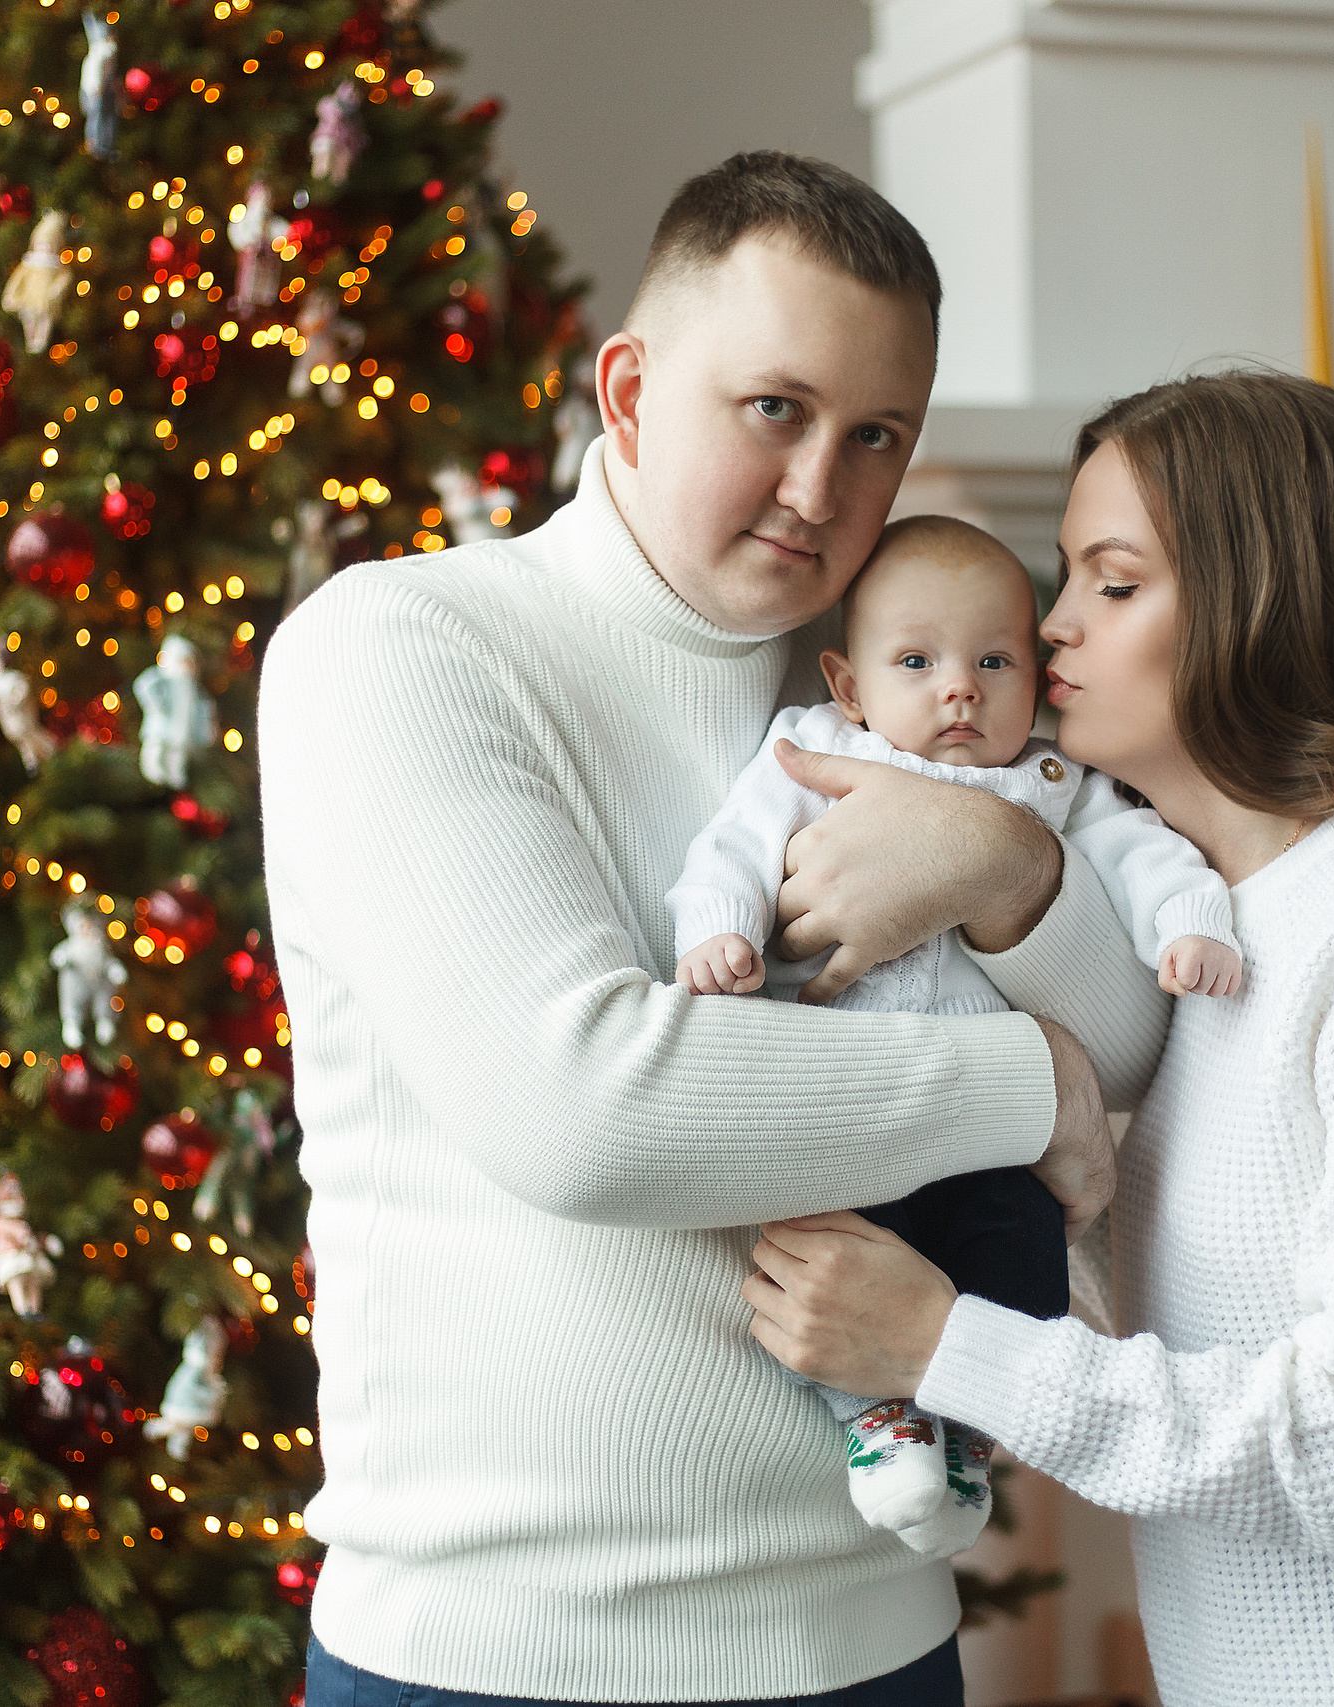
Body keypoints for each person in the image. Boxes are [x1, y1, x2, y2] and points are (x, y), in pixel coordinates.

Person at [260, 153, 1165, 1706]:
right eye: (775, 410)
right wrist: (1032, 1088)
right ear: (626, 391)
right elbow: (585, 1104)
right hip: (495, 1663)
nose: (823, 487)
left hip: (876, 1647)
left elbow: (1139, 1028)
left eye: (877, 434)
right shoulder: (401, 649)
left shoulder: (887, 687)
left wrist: (992, 854)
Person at [744, 371, 1334, 1705]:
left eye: (1112, 584)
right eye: (1065, 573)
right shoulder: (1217, 921)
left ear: (1271, 612)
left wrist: (947, 1344)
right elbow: (1219, 1340)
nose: (1048, 624)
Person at [668, 515, 1237, 1559]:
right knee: (821, 1255)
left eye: (993, 661)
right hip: (842, 1108)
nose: (960, 690)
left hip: (991, 1139)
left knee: (1017, 1257)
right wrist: (719, 928)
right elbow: (733, 848)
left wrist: (1190, 922)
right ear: (848, 685)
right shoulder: (813, 752)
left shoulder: (1055, 785)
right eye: (917, 662)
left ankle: (967, 1433)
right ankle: (876, 1424)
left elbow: (1145, 852)